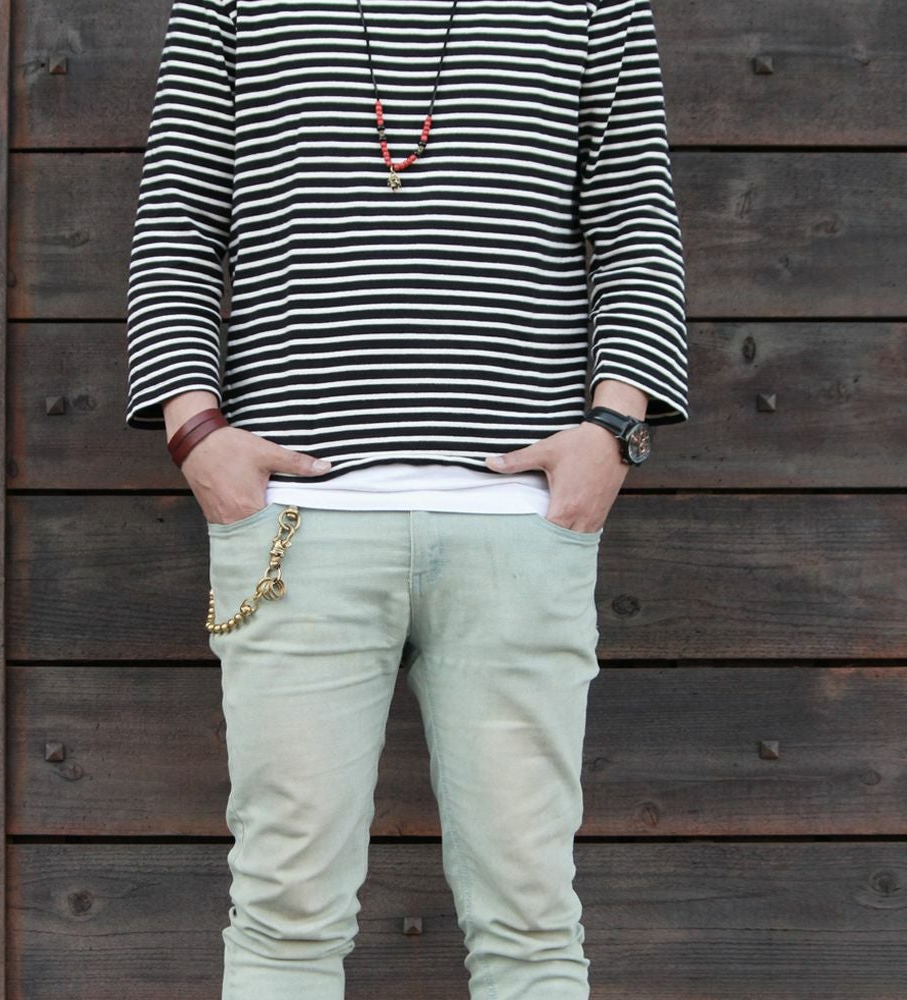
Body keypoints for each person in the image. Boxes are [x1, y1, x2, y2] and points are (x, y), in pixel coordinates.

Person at [125, 2, 688, 997]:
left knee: (530, 920)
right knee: (284, 913)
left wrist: (614, 432)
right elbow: (178, 213)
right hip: (296, 526)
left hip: (519, 527)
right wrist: (195, 434)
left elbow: (636, 216)